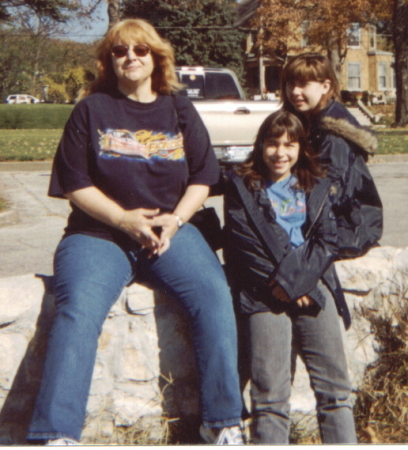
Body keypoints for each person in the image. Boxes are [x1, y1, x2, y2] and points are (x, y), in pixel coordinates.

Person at [26, 18, 244, 445]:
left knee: (215, 296)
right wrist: (124, 219)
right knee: (77, 310)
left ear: (156, 57)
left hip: (169, 233)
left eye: (141, 50)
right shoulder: (91, 109)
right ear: (109, 60)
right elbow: (74, 184)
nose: (131, 57)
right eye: (120, 51)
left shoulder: (178, 108)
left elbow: (203, 176)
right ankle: (57, 433)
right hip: (98, 235)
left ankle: (222, 422)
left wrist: (175, 219)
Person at [223, 110, 358, 443]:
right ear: (260, 145)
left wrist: (298, 281)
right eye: (272, 143)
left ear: (300, 148)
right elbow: (244, 245)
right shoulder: (241, 186)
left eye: (289, 144)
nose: (280, 152)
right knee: (269, 396)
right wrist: (285, 283)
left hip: (314, 289)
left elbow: (327, 240)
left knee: (336, 391)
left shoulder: (316, 183)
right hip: (264, 292)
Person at [281, 52, 383, 259]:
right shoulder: (306, 122)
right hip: (323, 221)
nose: (295, 92)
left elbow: (328, 195)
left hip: (347, 228)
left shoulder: (334, 138)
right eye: (290, 84)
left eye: (303, 85)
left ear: (325, 87)